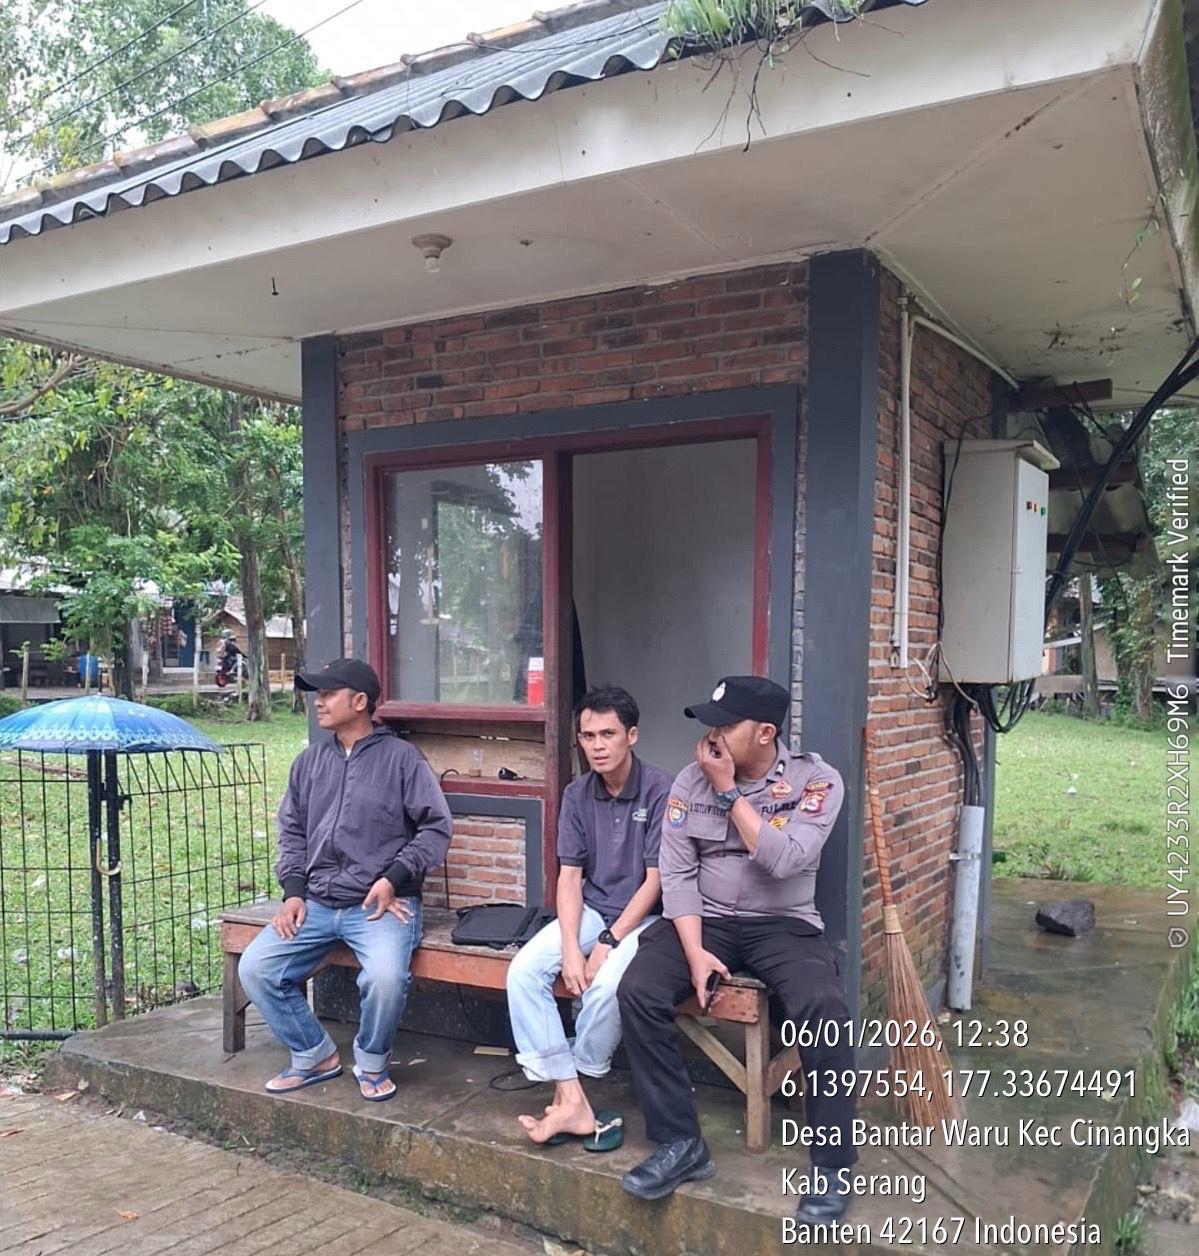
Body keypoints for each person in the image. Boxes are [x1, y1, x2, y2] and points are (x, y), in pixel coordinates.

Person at [616, 675, 858, 1222]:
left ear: (765, 733)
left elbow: (785, 860)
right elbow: (678, 875)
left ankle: (833, 1165)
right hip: (707, 921)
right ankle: (681, 1143)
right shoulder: (688, 781)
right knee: (638, 990)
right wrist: (694, 952)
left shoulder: (816, 781)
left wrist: (728, 792)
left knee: (824, 1007)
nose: (713, 735)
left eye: (726, 725)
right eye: (711, 724)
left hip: (784, 923)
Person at [238, 658, 453, 1102]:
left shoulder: (402, 760)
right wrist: (293, 893)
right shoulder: (309, 762)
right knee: (256, 968)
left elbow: (436, 829)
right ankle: (314, 1054)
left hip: (381, 905)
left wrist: (393, 878)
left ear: (359, 702)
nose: (317, 702)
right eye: (316, 694)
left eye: (327, 693)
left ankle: (372, 1061)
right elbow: (292, 832)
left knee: (385, 979)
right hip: (316, 903)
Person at [506, 685, 671, 1148]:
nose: (597, 745)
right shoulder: (577, 794)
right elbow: (570, 876)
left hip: (647, 918)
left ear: (631, 735)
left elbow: (656, 881)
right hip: (595, 909)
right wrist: (569, 950)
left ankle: (576, 1085)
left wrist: (607, 943)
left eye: (608, 734)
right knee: (523, 971)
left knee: (606, 989)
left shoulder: (661, 789)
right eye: (588, 736)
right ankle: (572, 1095)